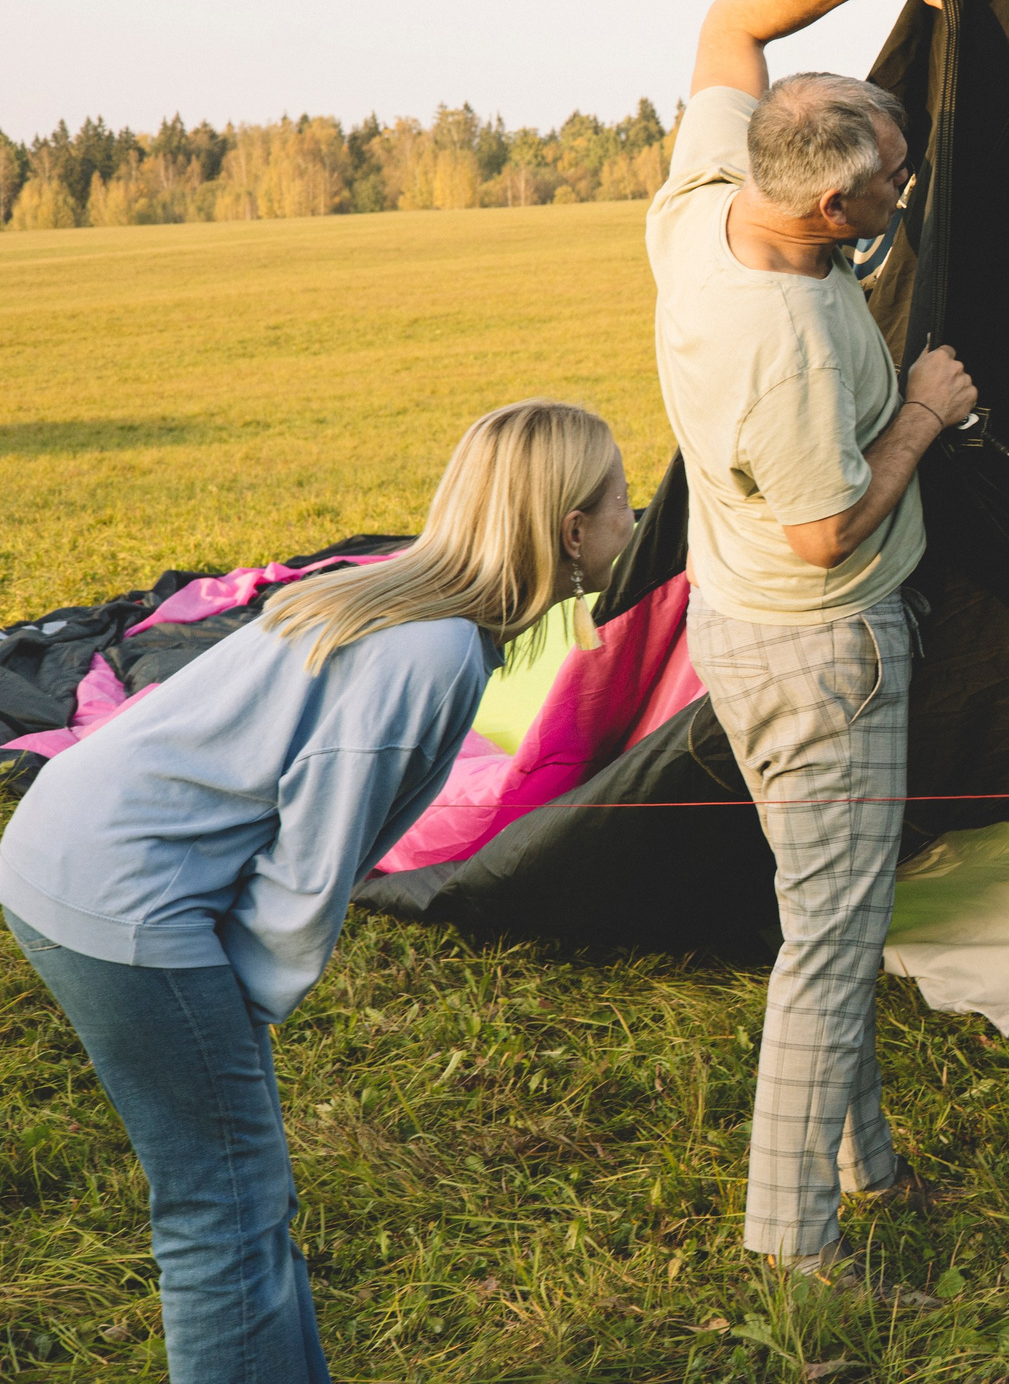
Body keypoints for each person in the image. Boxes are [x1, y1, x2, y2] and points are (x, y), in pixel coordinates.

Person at [0, 399, 635, 1384]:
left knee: (247, 1195)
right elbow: (312, 863)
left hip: (74, 850)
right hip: (119, 892)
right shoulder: (432, 651)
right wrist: (239, 1016)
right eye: (623, 504)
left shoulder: (402, 596)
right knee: (224, 1212)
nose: (631, 524)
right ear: (570, 531)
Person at [648, 0, 981, 1273]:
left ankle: (865, 1157)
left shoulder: (708, 199)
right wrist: (920, 411)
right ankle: (795, 1246)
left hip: (744, 636)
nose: (911, 190)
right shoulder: (777, 342)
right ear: (833, 207)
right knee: (831, 949)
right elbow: (821, 528)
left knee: (823, 912)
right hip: (819, 648)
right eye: (894, 182)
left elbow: (732, 16)